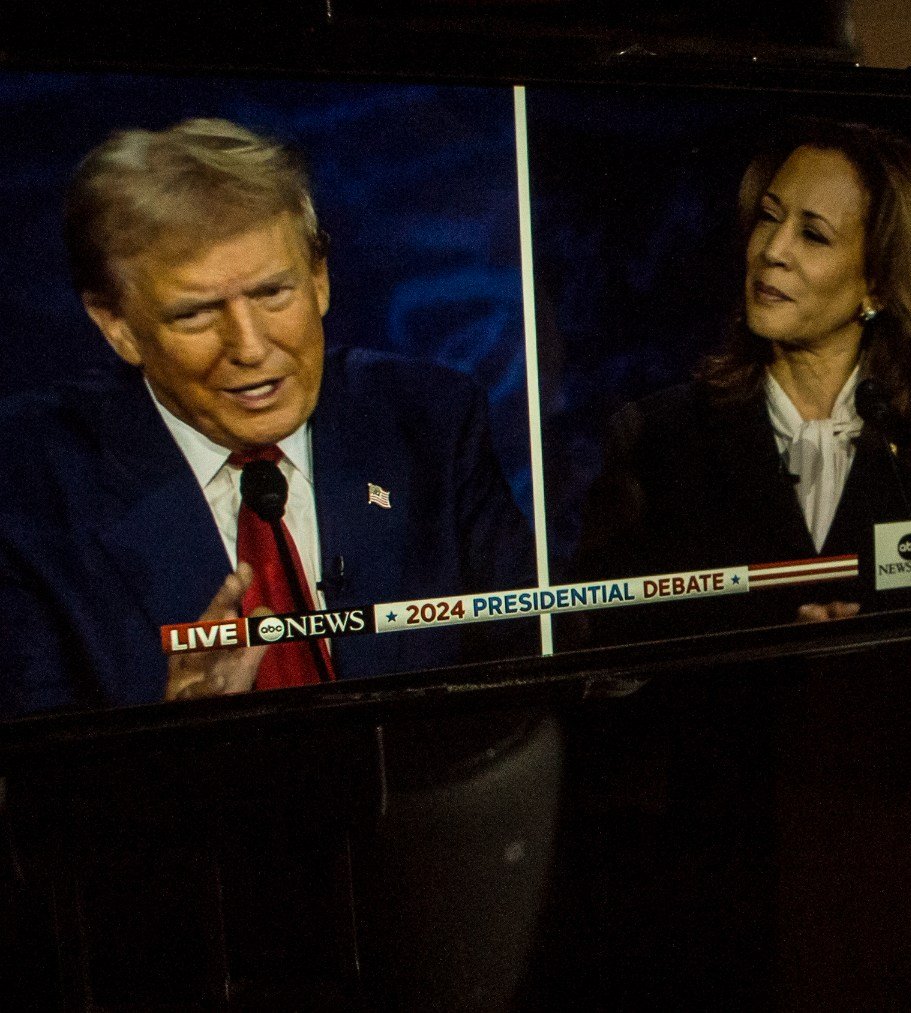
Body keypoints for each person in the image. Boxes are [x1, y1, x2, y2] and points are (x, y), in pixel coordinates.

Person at [0, 118, 533, 717]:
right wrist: (171, 728)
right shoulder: (28, 486)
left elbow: (531, 670)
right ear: (116, 325)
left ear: (320, 279)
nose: (250, 346)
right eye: (196, 315)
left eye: (273, 293)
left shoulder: (428, 421)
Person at [568, 119, 911, 633]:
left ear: (879, 284)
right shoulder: (657, 437)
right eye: (768, 217)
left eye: (813, 234)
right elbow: (604, 654)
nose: (773, 250)